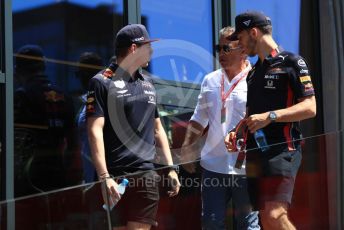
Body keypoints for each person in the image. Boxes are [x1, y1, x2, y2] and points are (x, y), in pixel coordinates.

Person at [225, 11, 316, 230]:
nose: (238, 44)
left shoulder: (292, 61)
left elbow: (310, 107)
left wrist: (271, 116)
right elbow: (251, 116)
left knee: (275, 215)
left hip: (284, 150)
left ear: (254, 32)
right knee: (266, 220)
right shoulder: (253, 73)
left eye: (240, 38)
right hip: (257, 156)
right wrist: (237, 132)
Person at [87, 24, 180, 229]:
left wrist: (171, 169)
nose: (152, 52)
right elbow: (94, 131)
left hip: (145, 176)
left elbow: (158, 129)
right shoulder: (101, 82)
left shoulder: (148, 83)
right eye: (148, 46)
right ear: (133, 49)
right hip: (113, 176)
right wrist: (104, 177)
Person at [180, 27, 260, 230]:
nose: (220, 53)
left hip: (246, 167)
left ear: (243, 50)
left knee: (249, 225)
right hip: (213, 167)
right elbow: (198, 118)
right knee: (211, 224)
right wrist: (187, 148)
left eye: (227, 48)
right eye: (218, 48)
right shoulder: (210, 80)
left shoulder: (257, 79)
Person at [13, 44, 79, 196]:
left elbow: (18, 142)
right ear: (43, 65)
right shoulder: (64, 96)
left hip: (31, 176)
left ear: (18, 71)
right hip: (59, 172)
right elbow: (73, 142)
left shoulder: (22, 96)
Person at [75, 52, 103, 183]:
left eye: (79, 74)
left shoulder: (105, 100)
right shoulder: (85, 102)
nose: (78, 79)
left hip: (102, 175)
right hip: (90, 174)